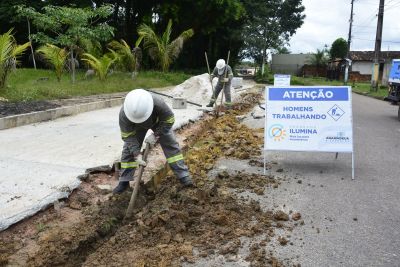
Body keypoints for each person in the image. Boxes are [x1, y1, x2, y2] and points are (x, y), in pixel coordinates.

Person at [113, 89, 194, 194]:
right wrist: (136, 153)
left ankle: (183, 175)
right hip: (136, 127)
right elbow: (128, 136)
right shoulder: (124, 114)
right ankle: (124, 181)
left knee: (171, 145)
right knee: (128, 151)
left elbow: (169, 120)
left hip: (159, 123)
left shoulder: (158, 103)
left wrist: (156, 135)